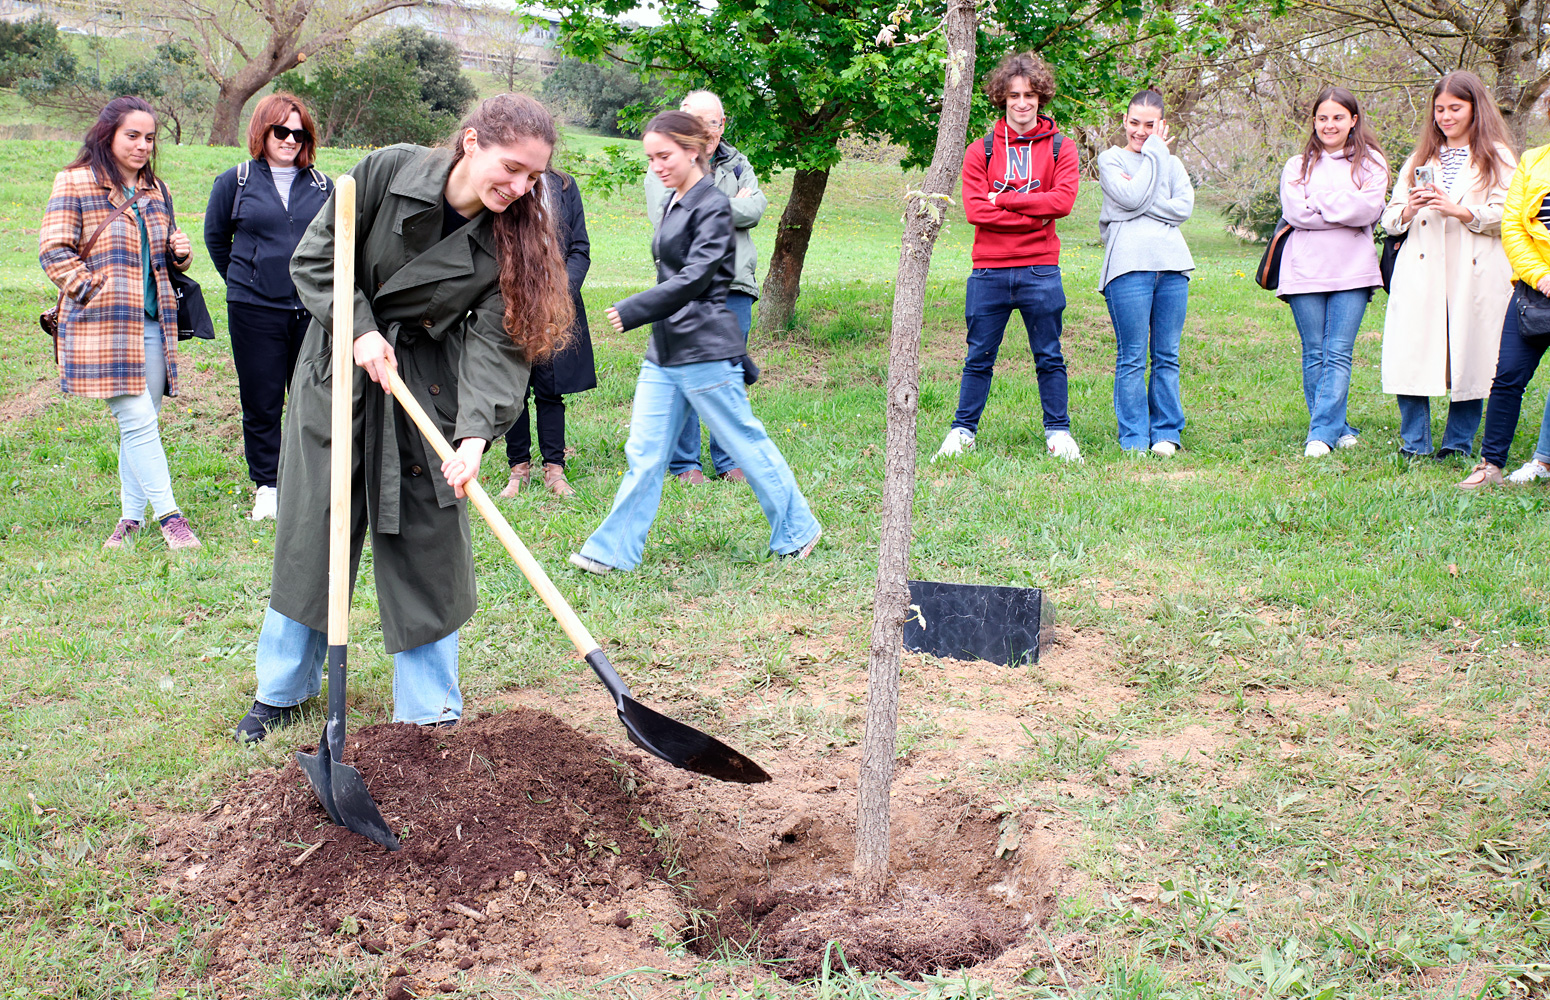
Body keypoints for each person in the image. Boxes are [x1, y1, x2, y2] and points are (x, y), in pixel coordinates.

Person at [234, 94, 575, 741]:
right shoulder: (388, 172)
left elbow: (500, 345)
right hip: (339, 374)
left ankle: (428, 711)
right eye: (512, 168)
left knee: (428, 548)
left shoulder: (514, 234)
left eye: (534, 176)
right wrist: (358, 329)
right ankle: (281, 691)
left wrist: (475, 435)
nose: (521, 187)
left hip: (427, 392)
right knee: (313, 537)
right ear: (472, 144)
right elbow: (314, 260)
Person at [568, 111, 820, 575]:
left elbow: (696, 277)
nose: (657, 165)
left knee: (743, 440)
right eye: (650, 158)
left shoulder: (712, 206)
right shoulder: (673, 200)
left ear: (693, 150)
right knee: (644, 454)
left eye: (664, 155)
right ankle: (613, 550)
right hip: (666, 349)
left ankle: (798, 529)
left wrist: (635, 308)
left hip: (704, 346)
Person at [39, 95, 201, 551]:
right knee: (136, 417)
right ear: (107, 134)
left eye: (150, 137)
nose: (143, 145)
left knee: (142, 421)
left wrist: (179, 253)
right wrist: (93, 291)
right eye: (133, 135)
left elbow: (164, 255)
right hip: (102, 326)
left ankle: (130, 520)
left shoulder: (157, 189)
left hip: (153, 324)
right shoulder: (75, 182)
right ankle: (172, 520)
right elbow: (54, 251)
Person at [935, 50, 1082, 463]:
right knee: (978, 356)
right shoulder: (979, 149)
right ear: (1002, 98)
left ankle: (1059, 433)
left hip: (1040, 269)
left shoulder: (1061, 148)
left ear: (1041, 98)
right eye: (1014, 95)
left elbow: (1064, 201)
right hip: (988, 272)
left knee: (1049, 356)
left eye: (1030, 95)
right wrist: (1034, 211)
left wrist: (1006, 201)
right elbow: (975, 211)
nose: (1022, 103)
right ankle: (962, 432)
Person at [204, 94, 334, 521]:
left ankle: (308, 482)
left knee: (311, 399)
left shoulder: (323, 187)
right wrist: (248, 281)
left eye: (300, 133)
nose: (291, 140)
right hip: (253, 311)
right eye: (282, 131)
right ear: (263, 131)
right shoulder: (235, 181)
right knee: (260, 401)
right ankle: (268, 486)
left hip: (311, 312)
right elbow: (216, 239)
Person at [1381, 71, 1516, 460]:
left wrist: (1459, 210)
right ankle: (1414, 443)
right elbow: (1389, 218)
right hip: (1421, 268)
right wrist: (1410, 208)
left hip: (1471, 269)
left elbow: (1507, 213)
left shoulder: (1497, 155)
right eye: (1439, 109)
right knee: (1410, 353)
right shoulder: (1420, 158)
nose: (1445, 117)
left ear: (1475, 108)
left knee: (1471, 355)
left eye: (1455, 108)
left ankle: (1457, 444)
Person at [645, 89, 768, 485]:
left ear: (722, 125)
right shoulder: (663, 163)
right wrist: (728, 203)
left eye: (712, 124)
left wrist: (705, 205)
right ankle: (685, 465)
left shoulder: (736, 162)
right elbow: (667, 213)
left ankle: (728, 461)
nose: (707, 132)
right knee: (683, 372)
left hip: (735, 282)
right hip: (683, 284)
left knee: (728, 374)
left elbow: (757, 208)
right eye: (698, 124)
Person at [1278, 86, 1388, 457]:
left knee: (1338, 352)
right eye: (1322, 117)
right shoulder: (1297, 165)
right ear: (1314, 121)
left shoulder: (1371, 162)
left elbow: (1370, 209)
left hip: (1354, 272)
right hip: (1305, 271)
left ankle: (1320, 434)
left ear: (1353, 120)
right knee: (1314, 352)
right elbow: (1295, 213)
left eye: (1338, 117)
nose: (1330, 124)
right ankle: (1333, 428)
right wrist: (1345, 208)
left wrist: (1319, 202)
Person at [1096, 89, 1195, 456]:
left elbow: (1182, 209)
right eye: (1134, 122)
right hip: (1128, 266)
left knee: (1167, 355)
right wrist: (1154, 161)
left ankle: (1167, 433)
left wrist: (1134, 203)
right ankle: (1135, 437)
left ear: (1162, 125)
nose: (1140, 131)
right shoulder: (1109, 159)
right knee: (1133, 356)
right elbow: (1133, 199)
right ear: (1124, 121)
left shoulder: (1174, 164)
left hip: (1172, 267)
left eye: (1150, 125)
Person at [1456, 110, 1550, 489]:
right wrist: (1542, 277)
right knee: (1508, 377)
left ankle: (1543, 462)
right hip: (1532, 291)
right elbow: (1512, 227)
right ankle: (1490, 465)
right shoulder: (1534, 160)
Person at [497, 166, 595, 498]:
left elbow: (580, 248)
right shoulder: (506, 183)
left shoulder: (565, 185)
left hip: (557, 305)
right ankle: (518, 469)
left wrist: (561, 293)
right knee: (516, 389)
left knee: (551, 388)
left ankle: (555, 470)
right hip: (513, 300)